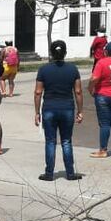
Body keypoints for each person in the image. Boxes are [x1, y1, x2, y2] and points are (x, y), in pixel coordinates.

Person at [33, 40, 84, 181]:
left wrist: (37, 112)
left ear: (51, 53)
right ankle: (70, 172)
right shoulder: (73, 69)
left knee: (50, 141)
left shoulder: (43, 70)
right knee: (66, 141)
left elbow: (38, 92)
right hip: (67, 108)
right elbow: (78, 91)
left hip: (49, 108)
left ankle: (49, 173)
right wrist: (80, 111)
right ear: (65, 53)